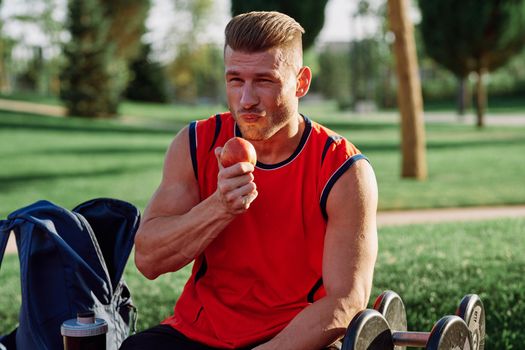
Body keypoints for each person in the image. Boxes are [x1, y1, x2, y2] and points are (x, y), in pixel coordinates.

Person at [120, 11, 378, 350]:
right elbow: (149, 260)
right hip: (200, 332)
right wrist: (219, 207)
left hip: (294, 338)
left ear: (301, 82)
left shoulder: (343, 170)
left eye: (264, 80)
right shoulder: (195, 142)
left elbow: (345, 303)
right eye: (235, 80)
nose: (247, 100)